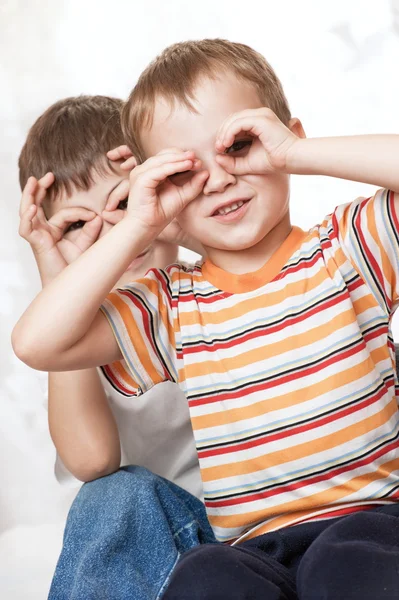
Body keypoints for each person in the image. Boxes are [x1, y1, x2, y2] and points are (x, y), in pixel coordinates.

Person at [13, 39, 399, 599]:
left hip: (368, 519)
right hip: (247, 548)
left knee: (345, 565)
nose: (218, 178)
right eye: (187, 173)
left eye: (240, 146)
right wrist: (138, 223)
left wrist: (294, 153)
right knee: (202, 577)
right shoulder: (170, 307)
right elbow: (34, 343)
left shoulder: (348, 249)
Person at [17, 95, 213, 600]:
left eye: (124, 203)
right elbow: (92, 460)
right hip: (178, 545)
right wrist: (58, 275)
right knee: (111, 497)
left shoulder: (216, 284)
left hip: (282, 524)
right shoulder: (79, 342)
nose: (113, 233)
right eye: (78, 225)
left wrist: (174, 220)